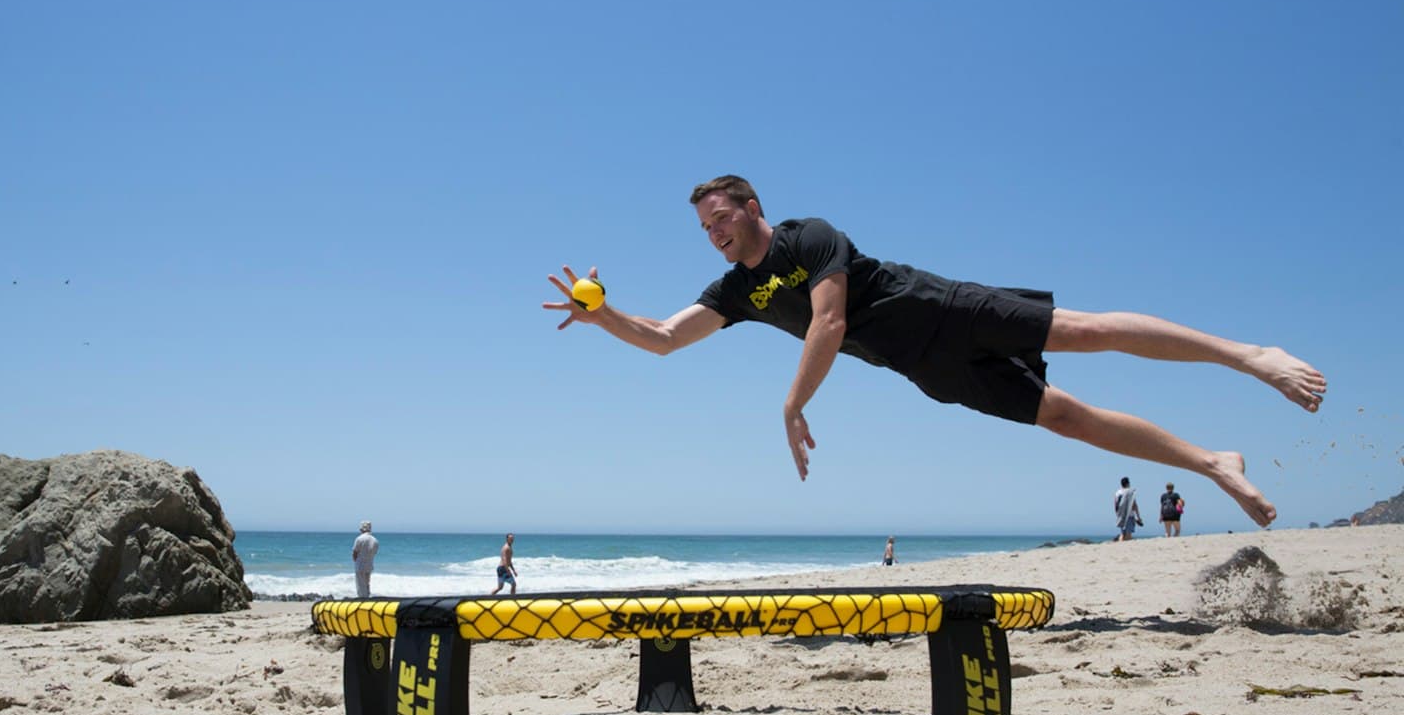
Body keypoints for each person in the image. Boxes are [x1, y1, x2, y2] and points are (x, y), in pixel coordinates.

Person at [543, 174, 1326, 528]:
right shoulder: (733, 292)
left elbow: (829, 322)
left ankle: (1248, 354)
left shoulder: (807, 236)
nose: (713, 231)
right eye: (704, 227)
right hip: (927, 368)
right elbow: (662, 339)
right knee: (1068, 418)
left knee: (1084, 330)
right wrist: (606, 313)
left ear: (752, 207)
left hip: (944, 308)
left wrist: (792, 404)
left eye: (721, 216)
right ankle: (1215, 462)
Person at [352, 521, 378, 599]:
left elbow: (355, 552)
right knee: (367, 584)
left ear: (362, 529)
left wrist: (355, 560)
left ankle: (362, 600)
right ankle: (367, 598)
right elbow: (374, 553)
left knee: (360, 585)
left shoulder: (359, 539)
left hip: (360, 565)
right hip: (369, 565)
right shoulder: (375, 540)